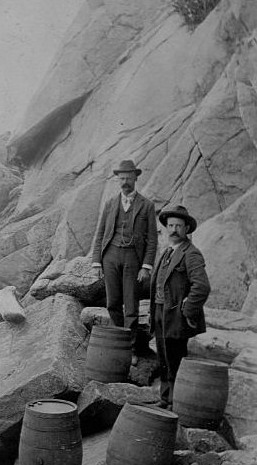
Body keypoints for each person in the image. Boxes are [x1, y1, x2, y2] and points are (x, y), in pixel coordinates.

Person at [90, 159, 158, 355]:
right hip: (110, 256)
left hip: (133, 259)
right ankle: (117, 345)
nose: (125, 182)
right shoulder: (110, 203)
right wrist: (96, 262)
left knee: (131, 306)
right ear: (117, 179)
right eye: (121, 178)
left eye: (128, 178)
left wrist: (146, 267)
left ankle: (132, 349)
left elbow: (152, 240)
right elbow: (100, 233)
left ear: (135, 178)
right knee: (112, 303)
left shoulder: (147, 205)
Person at [148, 205, 210, 409]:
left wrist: (187, 310)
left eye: (179, 226)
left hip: (176, 316)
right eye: (171, 225)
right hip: (159, 312)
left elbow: (201, 287)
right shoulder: (167, 252)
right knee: (164, 358)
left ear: (186, 229)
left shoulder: (191, 253)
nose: (173, 229)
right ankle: (165, 399)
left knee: (175, 359)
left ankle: (178, 403)